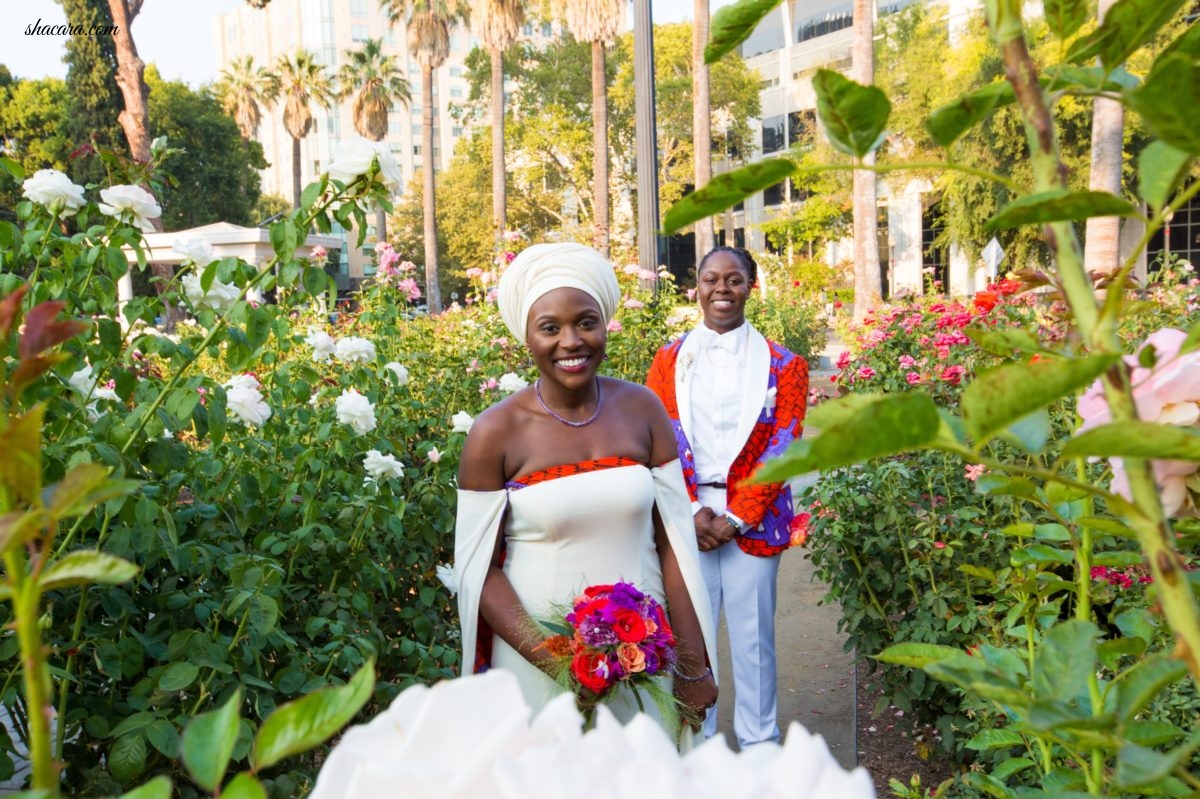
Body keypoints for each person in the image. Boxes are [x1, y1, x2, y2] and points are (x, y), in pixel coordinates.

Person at [453, 241, 718, 740]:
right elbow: (478, 570)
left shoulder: (642, 409)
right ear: (526, 337)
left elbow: (675, 547)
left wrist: (691, 665)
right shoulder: (494, 433)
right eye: (550, 327)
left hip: (647, 660)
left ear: (605, 325)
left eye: (586, 322)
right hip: (538, 665)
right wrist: (559, 662)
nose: (571, 340)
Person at [645, 246, 809, 748]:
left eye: (734, 279)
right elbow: (658, 440)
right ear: (695, 287)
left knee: (753, 639)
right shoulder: (668, 359)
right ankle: (700, 743)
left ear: (750, 287)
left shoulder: (785, 365)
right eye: (711, 279)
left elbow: (786, 445)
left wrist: (736, 517)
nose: (722, 289)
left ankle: (760, 745)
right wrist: (692, 510)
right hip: (687, 519)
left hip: (753, 523)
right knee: (691, 641)